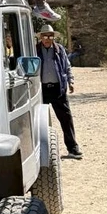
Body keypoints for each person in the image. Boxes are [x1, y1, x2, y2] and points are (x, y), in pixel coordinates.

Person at [36, 26, 82, 160]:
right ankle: (40, 152)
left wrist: (70, 81)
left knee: (66, 119)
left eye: (50, 36)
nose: (47, 39)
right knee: (38, 121)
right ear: (41, 37)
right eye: (45, 36)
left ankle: (73, 148)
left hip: (58, 89)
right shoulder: (34, 50)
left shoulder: (59, 49)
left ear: (53, 37)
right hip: (41, 90)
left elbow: (67, 66)